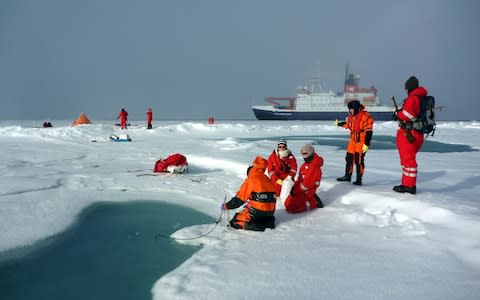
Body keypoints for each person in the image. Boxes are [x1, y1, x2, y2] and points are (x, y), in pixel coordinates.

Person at [221, 156, 277, 231]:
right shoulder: (267, 179)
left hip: (256, 212)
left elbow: (240, 199)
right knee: (263, 218)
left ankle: (250, 225)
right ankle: (267, 223)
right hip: (270, 212)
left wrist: (227, 206)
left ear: (250, 171)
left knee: (235, 220)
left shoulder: (251, 179)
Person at [393, 76, 428, 194]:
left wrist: (398, 115)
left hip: (409, 133)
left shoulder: (412, 98)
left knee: (408, 160)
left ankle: (409, 186)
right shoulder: (420, 97)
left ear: (409, 87)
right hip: (417, 133)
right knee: (408, 159)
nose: (405, 90)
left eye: (406, 87)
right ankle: (407, 184)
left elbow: (407, 115)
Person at [335, 100, 374, 185]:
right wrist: (339, 124)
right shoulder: (351, 117)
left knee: (358, 160)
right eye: (349, 109)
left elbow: (369, 131)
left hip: (361, 142)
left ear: (356, 108)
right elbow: (348, 124)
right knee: (349, 158)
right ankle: (347, 176)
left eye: (351, 109)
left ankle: (359, 180)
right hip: (353, 141)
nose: (350, 110)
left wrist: (366, 144)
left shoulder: (366, 116)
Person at [284, 144, 324, 213]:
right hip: (301, 188)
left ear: (310, 153)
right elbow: (300, 178)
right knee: (287, 203)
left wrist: (296, 191)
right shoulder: (306, 164)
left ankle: (314, 202)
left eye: (305, 153)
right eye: (302, 154)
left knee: (291, 208)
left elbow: (306, 185)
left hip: (308, 189)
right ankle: (311, 198)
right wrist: (294, 187)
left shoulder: (314, 166)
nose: (303, 156)